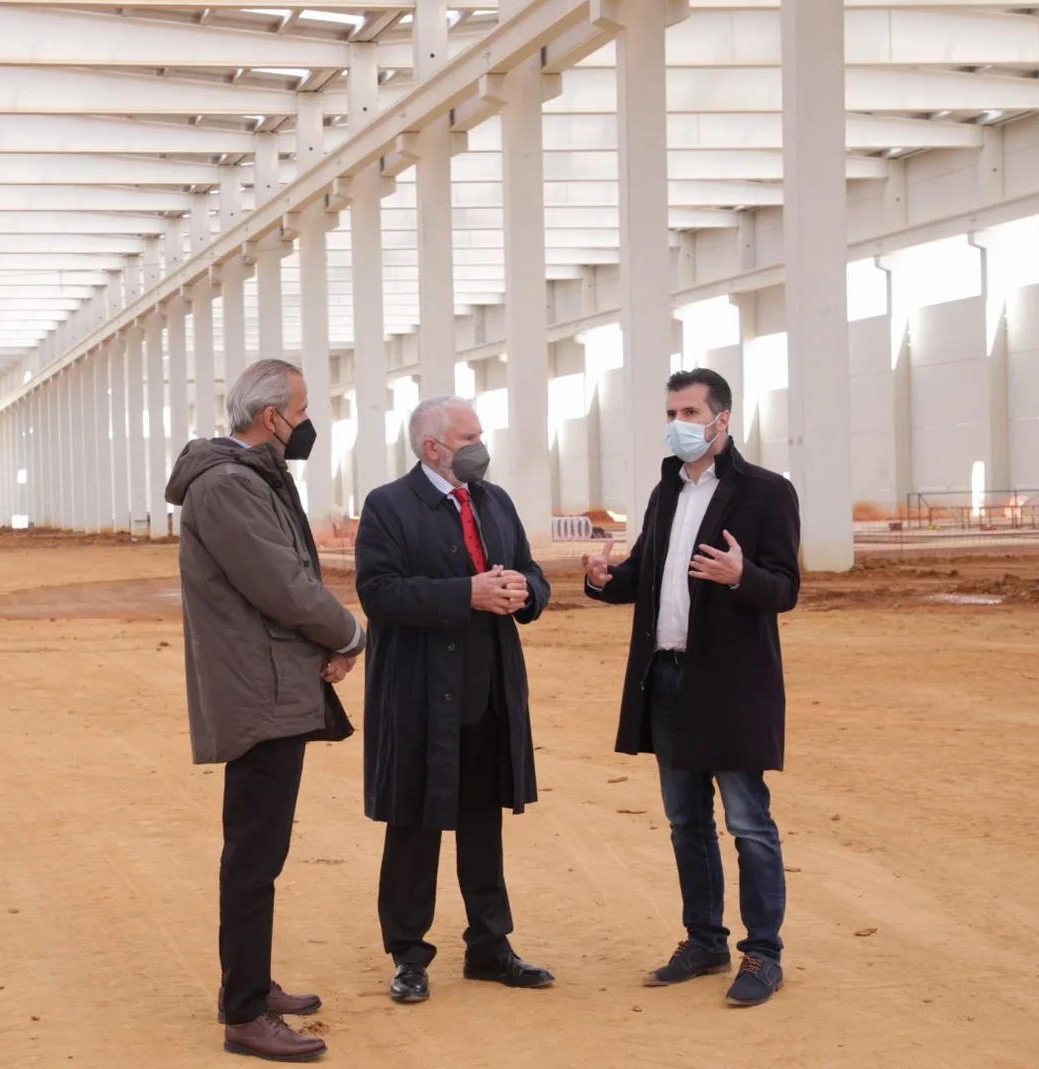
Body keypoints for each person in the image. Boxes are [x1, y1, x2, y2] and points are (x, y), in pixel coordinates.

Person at [165, 358, 365, 1063]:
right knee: (254, 853)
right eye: (301, 407)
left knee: (260, 850)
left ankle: (247, 986)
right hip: (260, 690)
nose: (306, 421)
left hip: (275, 679)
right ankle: (246, 1013)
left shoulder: (247, 480)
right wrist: (347, 633)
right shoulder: (227, 486)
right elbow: (282, 582)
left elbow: (287, 575)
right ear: (269, 415)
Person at [582, 368, 800, 1008]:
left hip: (730, 683)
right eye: (672, 410)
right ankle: (703, 939)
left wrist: (741, 576)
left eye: (689, 411)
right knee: (685, 820)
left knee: (747, 820)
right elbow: (647, 572)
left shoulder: (766, 492)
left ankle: (762, 953)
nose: (678, 422)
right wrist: (604, 579)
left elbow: (784, 588)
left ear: (721, 420)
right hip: (668, 677)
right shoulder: (667, 491)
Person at [354, 395, 555, 1005]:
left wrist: (526, 589)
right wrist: (464, 593)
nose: (480, 445)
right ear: (432, 448)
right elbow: (380, 593)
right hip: (420, 695)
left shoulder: (495, 502)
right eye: (468, 436)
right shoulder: (388, 506)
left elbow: (529, 570)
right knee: (414, 825)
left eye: (480, 434)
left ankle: (490, 948)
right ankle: (408, 957)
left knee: (482, 824)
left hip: (488, 692)